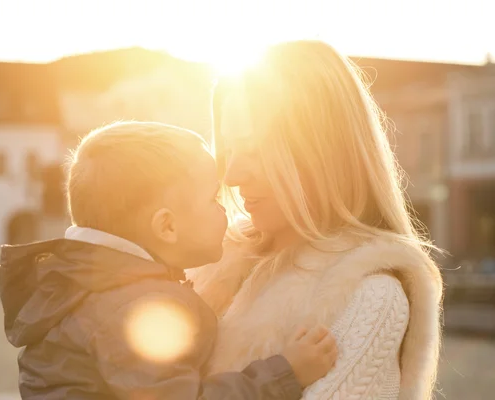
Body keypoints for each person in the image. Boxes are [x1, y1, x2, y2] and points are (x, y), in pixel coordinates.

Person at [0, 121, 338, 399]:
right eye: (213, 199)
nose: (225, 209)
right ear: (167, 226)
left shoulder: (87, 288)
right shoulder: (139, 308)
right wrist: (286, 373)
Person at [188, 41, 444, 399]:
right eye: (230, 149)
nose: (231, 174)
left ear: (320, 152)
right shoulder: (206, 263)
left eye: (256, 150)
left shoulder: (371, 296)